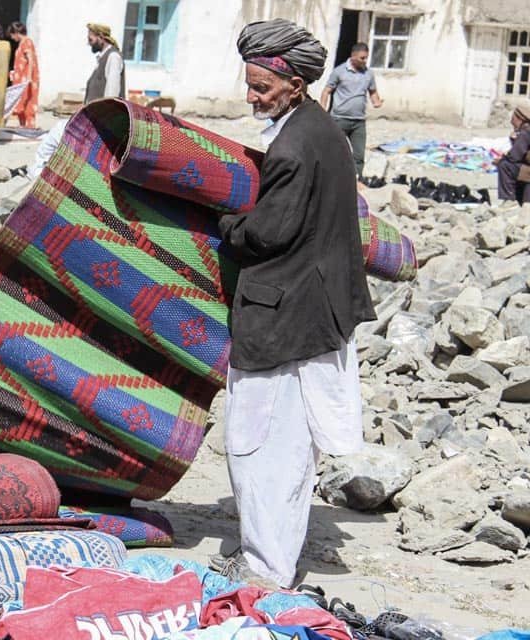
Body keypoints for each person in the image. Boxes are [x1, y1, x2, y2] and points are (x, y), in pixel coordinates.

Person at [210, 18, 375, 588]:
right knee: (290, 449)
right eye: (250, 85)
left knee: (260, 446)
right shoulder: (319, 130)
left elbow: (268, 233)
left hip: (286, 314)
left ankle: (264, 568)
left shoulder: (296, 143)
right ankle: (272, 558)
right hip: (314, 307)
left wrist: (228, 225)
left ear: (296, 83)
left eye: (261, 87)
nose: (252, 96)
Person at [320, 43, 383, 178]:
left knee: (359, 155)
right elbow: (326, 91)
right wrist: (323, 110)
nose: (365, 61)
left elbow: (373, 92)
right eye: (362, 58)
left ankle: (356, 180)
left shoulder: (369, 74)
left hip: (359, 121)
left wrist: (376, 101)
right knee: (335, 152)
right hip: (339, 119)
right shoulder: (339, 71)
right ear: (353, 56)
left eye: (366, 58)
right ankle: (331, 178)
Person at [493, 103, 530, 208]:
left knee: (505, 165)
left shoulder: (525, 132)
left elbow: (515, 156)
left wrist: (501, 159)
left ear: (519, 119)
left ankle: (509, 200)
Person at [7, 21, 39, 129]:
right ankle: (22, 125)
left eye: (12, 35)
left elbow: (30, 60)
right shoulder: (22, 44)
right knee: (21, 101)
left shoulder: (27, 42)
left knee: (28, 101)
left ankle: (30, 126)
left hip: (27, 78)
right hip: (21, 77)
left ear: (16, 32)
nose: (12, 38)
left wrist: (29, 77)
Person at [84, 23, 124, 103]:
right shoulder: (102, 58)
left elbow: (111, 93)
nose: (89, 44)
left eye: (90, 39)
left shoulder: (113, 57)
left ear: (101, 37)